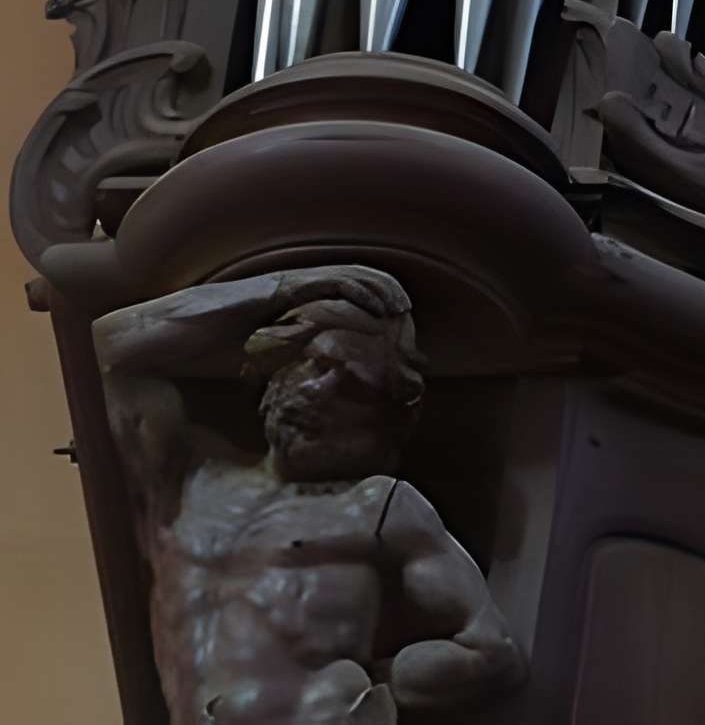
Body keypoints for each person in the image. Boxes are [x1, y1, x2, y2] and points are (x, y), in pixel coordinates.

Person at [97, 264, 525, 723]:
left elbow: (491, 650)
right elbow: (110, 346)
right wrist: (284, 288)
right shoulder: (186, 476)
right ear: (278, 363)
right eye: (318, 365)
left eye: (354, 388)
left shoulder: (375, 506)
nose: (323, 391)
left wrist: (367, 694)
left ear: (375, 419)